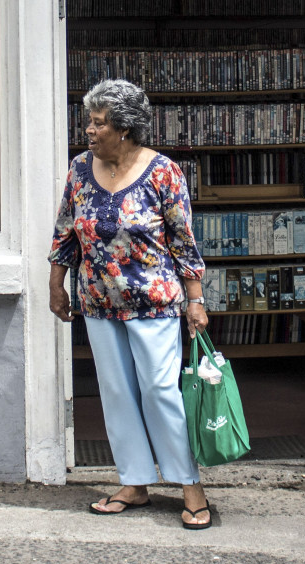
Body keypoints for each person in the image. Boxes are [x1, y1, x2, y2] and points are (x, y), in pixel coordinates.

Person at [48, 78, 213, 530]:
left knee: (160, 391)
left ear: (124, 128)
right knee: (118, 394)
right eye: (90, 122)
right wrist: (56, 283)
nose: (89, 130)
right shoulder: (80, 169)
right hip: (99, 303)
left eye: (99, 123)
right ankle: (135, 483)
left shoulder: (163, 172)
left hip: (154, 303)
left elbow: (183, 242)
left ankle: (189, 485)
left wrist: (195, 300)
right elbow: (66, 230)